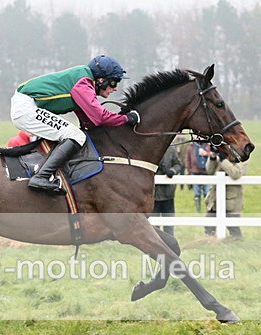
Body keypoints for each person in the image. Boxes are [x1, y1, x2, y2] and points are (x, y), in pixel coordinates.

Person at [10, 55, 140, 194]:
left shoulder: (84, 81)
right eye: (114, 82)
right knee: (76, 136)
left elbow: (89, 123)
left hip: (26, 105)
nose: (114, 88)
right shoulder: (83, 83)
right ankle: (41, 176)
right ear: (101, 80)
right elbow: (100, 117)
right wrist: (127, 119)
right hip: (26, 108)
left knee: (76, 134)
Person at [205, 151, 246, 239]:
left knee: (233, 227)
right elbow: (210, 171)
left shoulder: (243, 156)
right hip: (214, 199)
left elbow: (236, 174)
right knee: (209, 225)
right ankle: (210, 244)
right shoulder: (222, 154)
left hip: (232, 201)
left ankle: (238, 245)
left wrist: (223, 160)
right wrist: (213, 157)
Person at [152, 145, 183, 236]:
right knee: (154, 223)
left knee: (169, 222)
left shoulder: (170, 149)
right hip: (153, 193)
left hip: (168, 192)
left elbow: (178, 164)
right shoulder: (150, 148)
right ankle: (156, 243)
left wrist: (172, 171)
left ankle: (170, 242)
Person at [185, 141, 212, 212]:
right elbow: (187, 160)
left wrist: (206, 154)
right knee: (197, 193)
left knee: (207, 192)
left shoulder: (209, 146)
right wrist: (189, 170)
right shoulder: (191, 147)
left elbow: (214, 155)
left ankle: (208, 209)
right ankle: (198, 210)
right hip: (195, 172)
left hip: (206, 173)